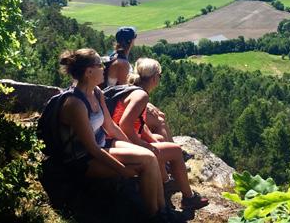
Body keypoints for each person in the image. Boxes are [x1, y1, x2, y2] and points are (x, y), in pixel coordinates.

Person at [57, 48, 166, 218]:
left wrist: (135, 148)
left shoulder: (96, 92)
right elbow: (92, 149)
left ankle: (162, 210)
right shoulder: (75, 104)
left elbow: (111, 127)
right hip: (83, 159)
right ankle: (154, 216)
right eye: (100, 65)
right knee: (147, 160)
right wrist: (122, 169)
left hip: (102, 145)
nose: (105, 67)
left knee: (150, 155)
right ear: (89, 72)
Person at [111, 57, 209, 210]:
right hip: (123, 144)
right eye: (160, 75)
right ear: (155, 77)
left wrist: (153, 142)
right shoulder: (141, 96)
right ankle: (189, 197)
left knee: (160, 139)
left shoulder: (130, 90)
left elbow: (139, 125)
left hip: (117, 141)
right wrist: (144, 145)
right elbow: (125, 125)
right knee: (176, 151)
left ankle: (165, 181)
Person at [106, 26, 173, 142]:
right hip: (117, 108)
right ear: (131, 41)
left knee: (159, 115)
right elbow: (124, 91)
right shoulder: (122, 64)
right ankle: (167, 151)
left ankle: (165, 148)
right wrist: (145, 105)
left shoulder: (114, 56)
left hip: (113, 105)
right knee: (160, 119)